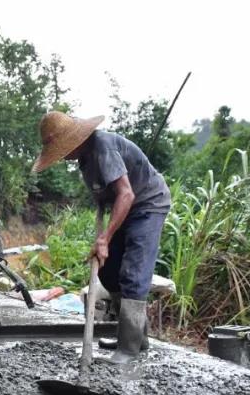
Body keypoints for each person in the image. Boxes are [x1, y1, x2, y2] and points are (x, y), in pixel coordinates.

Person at [32, 111, 171, 363]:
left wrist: (105, 238)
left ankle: (129, 349)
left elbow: (126, 195)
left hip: (148, 205)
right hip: (126, 208)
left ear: (74, 140)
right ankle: (139, 338)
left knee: (133, 274)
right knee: (108, 272)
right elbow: (107, 196)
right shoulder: (85, 160)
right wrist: (104, 235)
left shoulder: (103, 148)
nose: (62, 156)